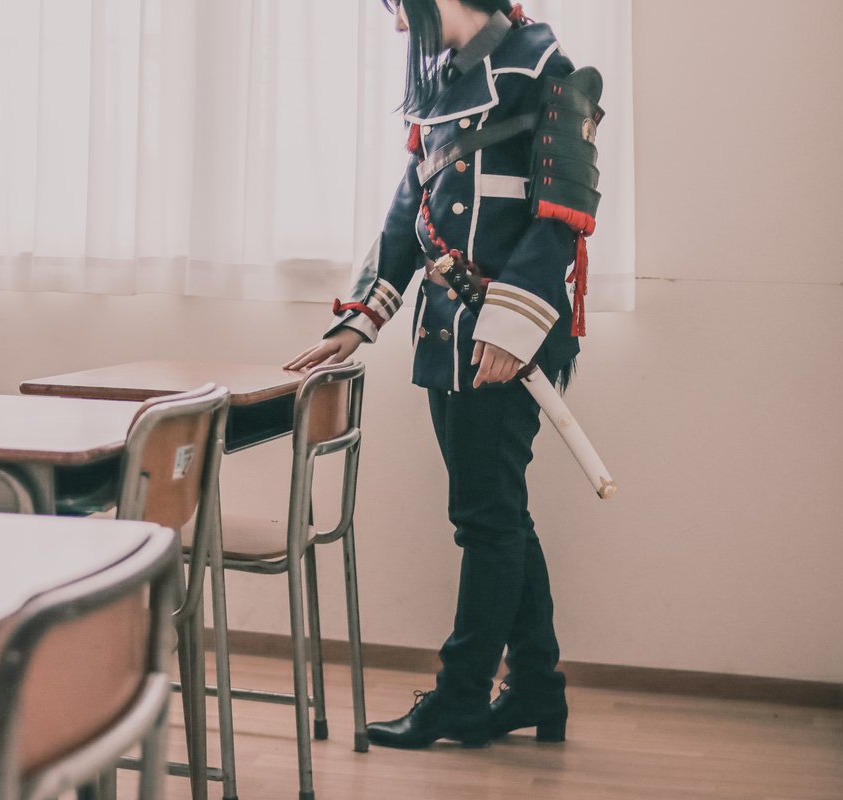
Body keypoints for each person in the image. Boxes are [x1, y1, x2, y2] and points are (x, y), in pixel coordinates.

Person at [286, 0, 603, 749]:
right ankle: (536, 686)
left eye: (400, 6)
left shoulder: (549, 72)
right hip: (446, 335)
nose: (399, 24)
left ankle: (462, 696)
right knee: (498, 516)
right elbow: (411, 210)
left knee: (486, 521)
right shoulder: (446, 84)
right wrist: (359, 317)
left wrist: (511, 328)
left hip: (506, 342)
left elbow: (561, 217)